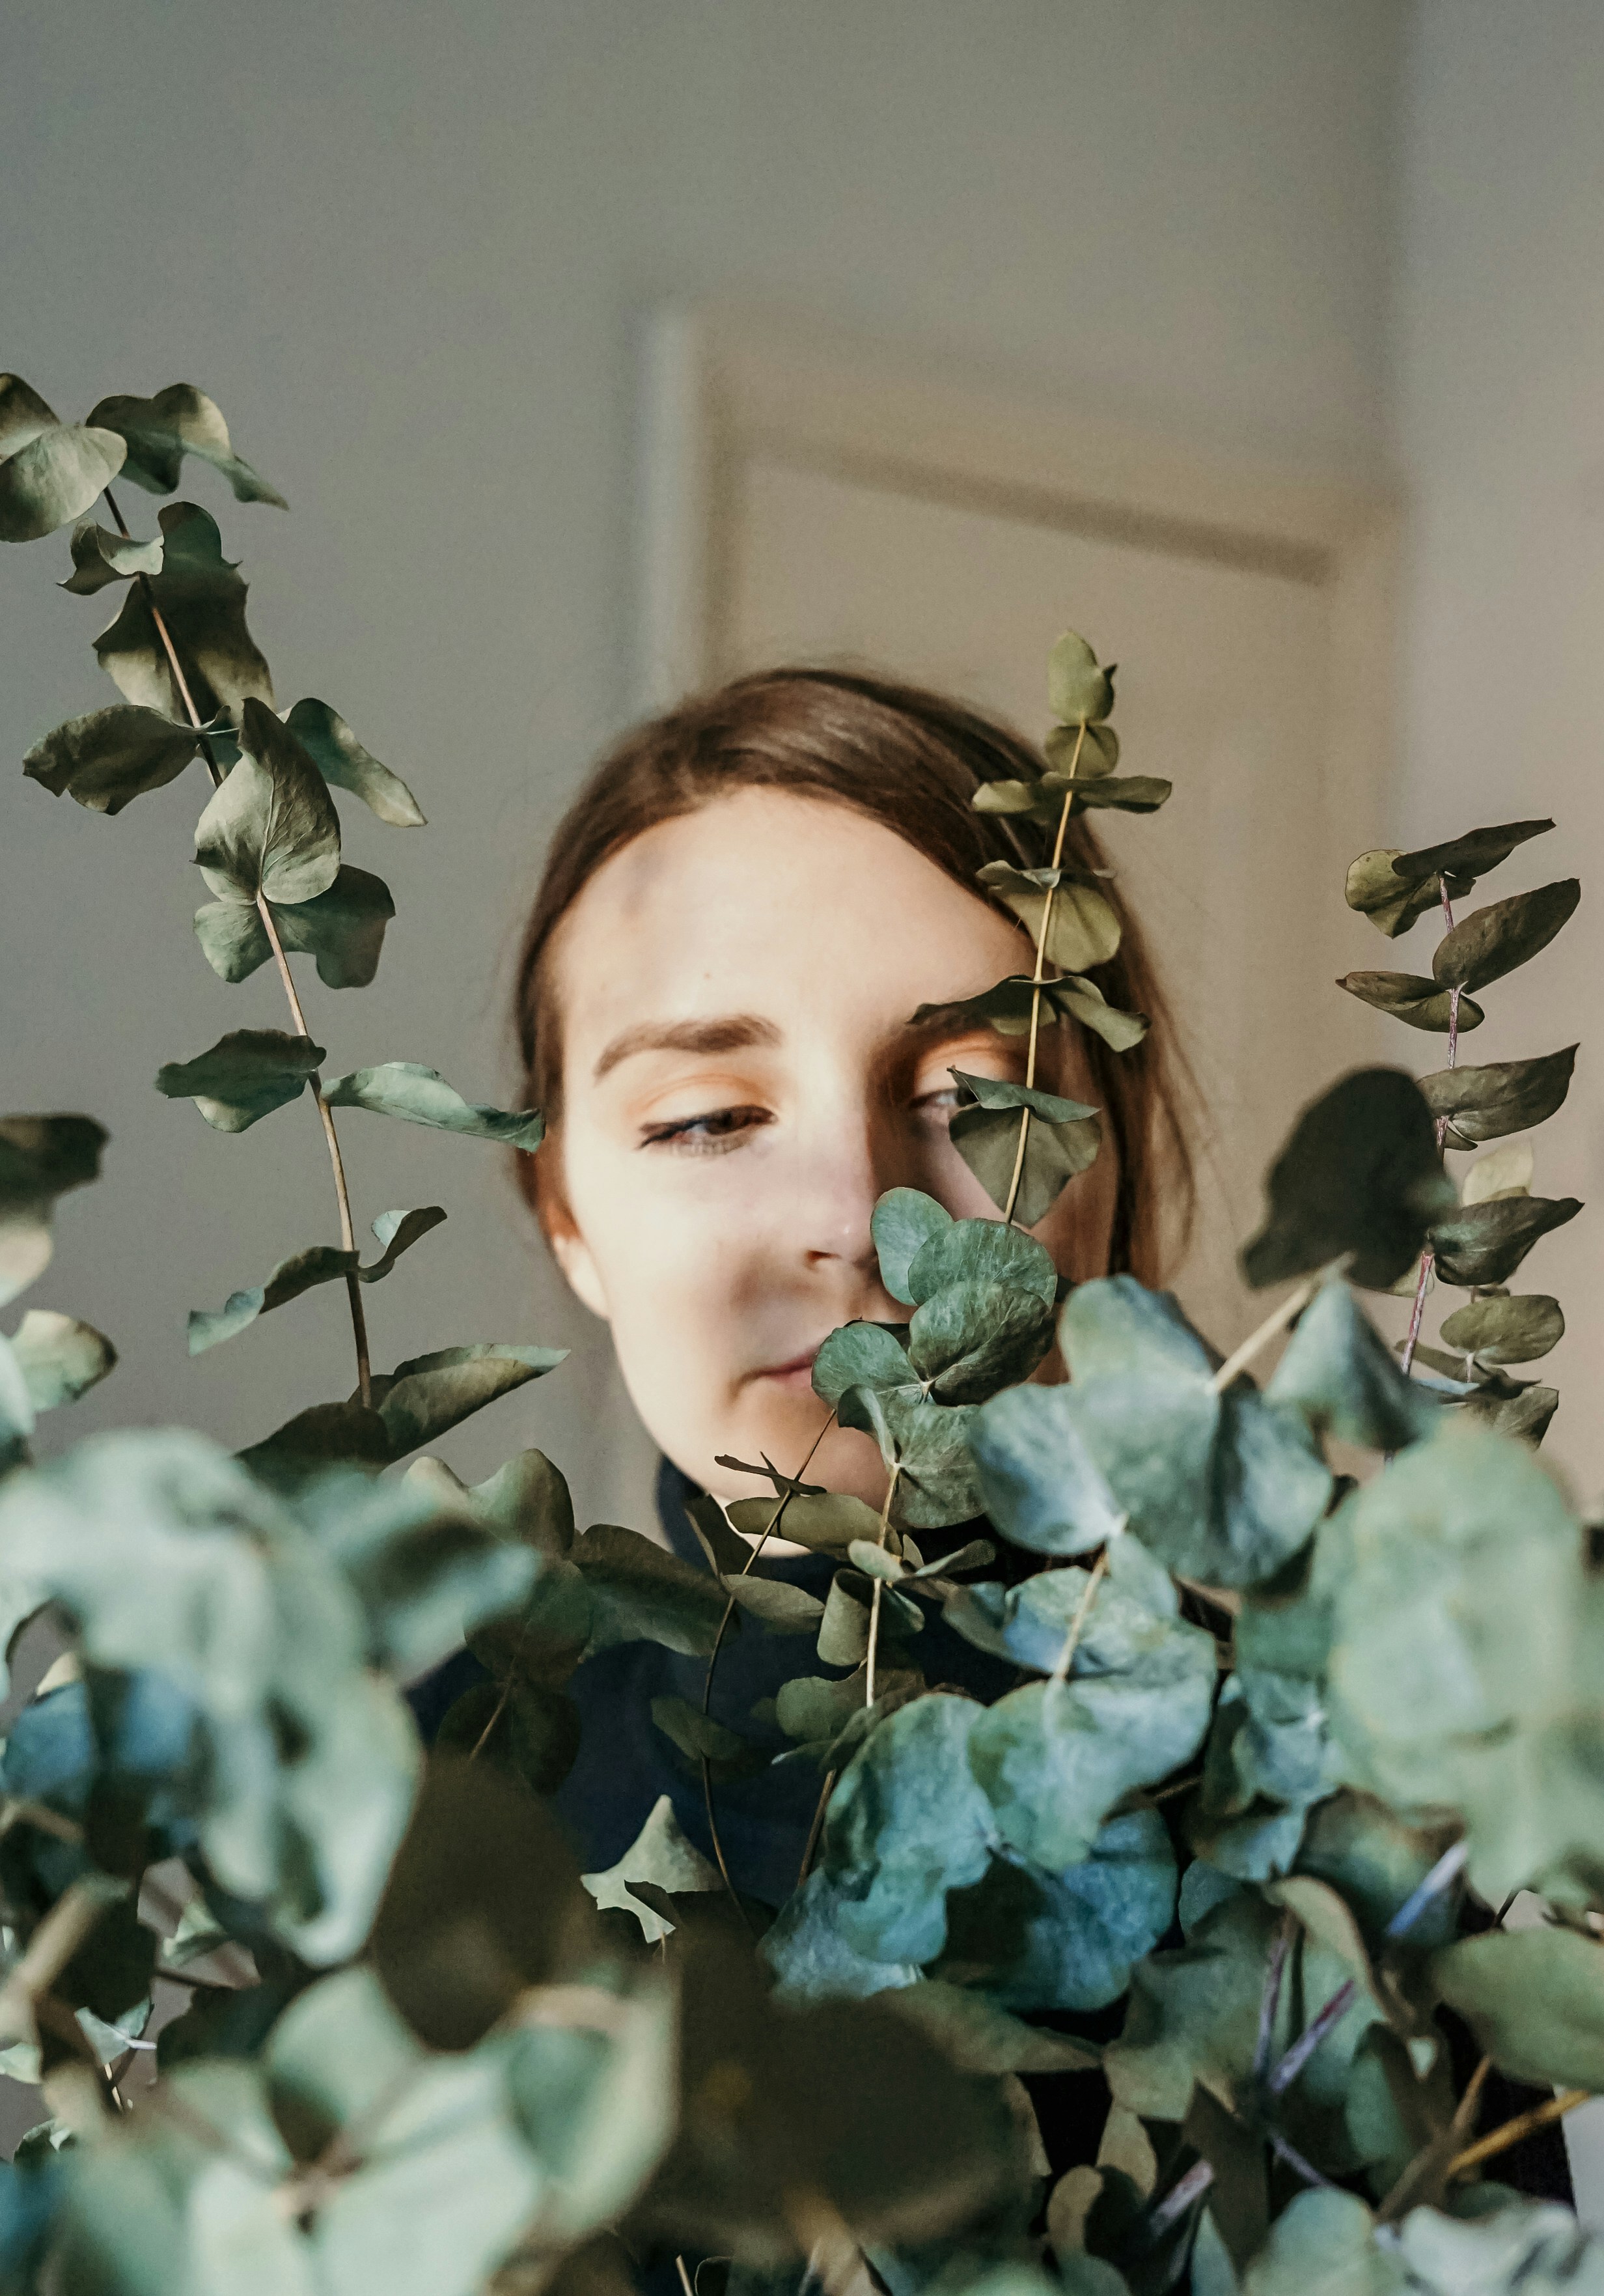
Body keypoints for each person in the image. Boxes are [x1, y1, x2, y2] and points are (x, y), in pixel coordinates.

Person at [479, 665, 1191, 1904]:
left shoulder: (1328, 1822)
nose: (861, 1219)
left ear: (1121, 1164)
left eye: (973, 1098)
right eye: (710, 1118)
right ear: (565, 1215)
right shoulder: (415, 1793)